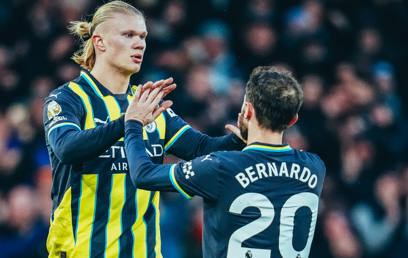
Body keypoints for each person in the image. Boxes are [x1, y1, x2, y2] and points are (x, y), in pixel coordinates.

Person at [42, 1, 245, 257]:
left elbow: (201, 148)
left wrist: (240, 139)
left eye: (142, 36)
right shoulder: (67, 99)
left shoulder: (147, 102)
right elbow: (67, 148)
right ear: (100, 41)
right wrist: (129, 122)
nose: (139, 44)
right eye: (128, 35)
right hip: (82, 251)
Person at [125, 66, 326, 258]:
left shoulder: (220, 166)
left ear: (247, 110)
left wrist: (133, 123)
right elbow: (271, 175)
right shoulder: (315, 166)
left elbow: (143, 175)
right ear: (293, 120)